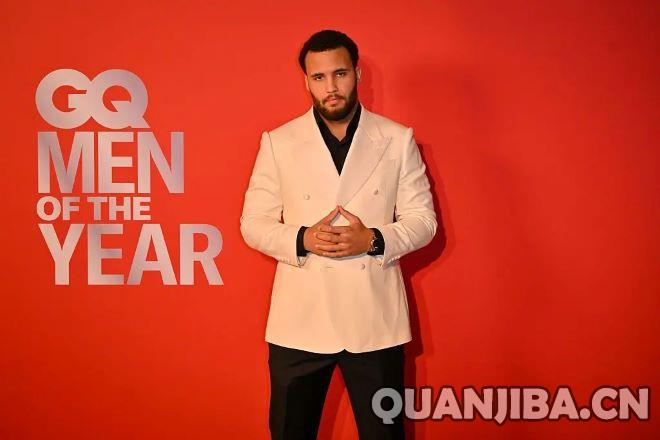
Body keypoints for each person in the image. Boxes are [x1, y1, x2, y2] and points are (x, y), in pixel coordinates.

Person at [240, 29, 436, 439]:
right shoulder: (279, 142)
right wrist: (302, 239)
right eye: (319, 77)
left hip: (374, 320)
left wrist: (374, 240)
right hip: (300, 320)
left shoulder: (396, 139)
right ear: (306, 82)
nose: (331, 87)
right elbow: (253, 223)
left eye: (340, 74)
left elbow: (424, 221)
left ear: (358, 74)